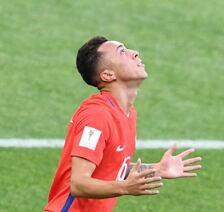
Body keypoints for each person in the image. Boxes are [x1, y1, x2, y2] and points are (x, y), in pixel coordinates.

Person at [44, 36, 202, 212]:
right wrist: (125, 188)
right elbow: (79, 184)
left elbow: (112, 168)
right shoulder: (97, 115)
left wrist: (157, 169)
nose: (135, 53)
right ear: (107, 75)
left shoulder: (127, 113)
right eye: (122, 52)